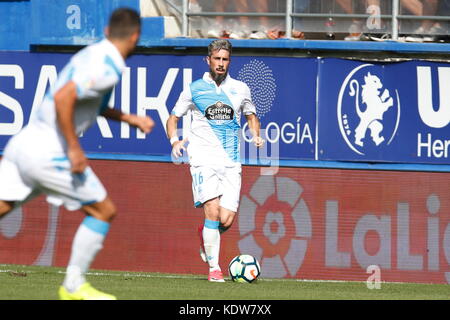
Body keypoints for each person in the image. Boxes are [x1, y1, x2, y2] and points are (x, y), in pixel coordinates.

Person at [0, 8, 154, 300]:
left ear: (107, 32)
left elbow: (86, 99)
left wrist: (128, 118)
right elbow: (64, 96)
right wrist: (74, 148)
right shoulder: (109, 65)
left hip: (24, 143)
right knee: (103, 210)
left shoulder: (93, 52)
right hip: (49, 151)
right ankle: (73, 285)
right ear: (135, 37)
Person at [166, 39, 264, 282]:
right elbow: (173, 118)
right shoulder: (194, 89)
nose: (221, 64)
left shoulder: (241, 89)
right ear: (208, 60)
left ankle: (206, 235)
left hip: (231, 162)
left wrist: (256, 135)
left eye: (225, 59)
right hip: (202, 159)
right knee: (211, 211)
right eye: (217, 59)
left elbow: (252, 116)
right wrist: (174, 141)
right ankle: (214, 270)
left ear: (229, 61)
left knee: (226, 220)